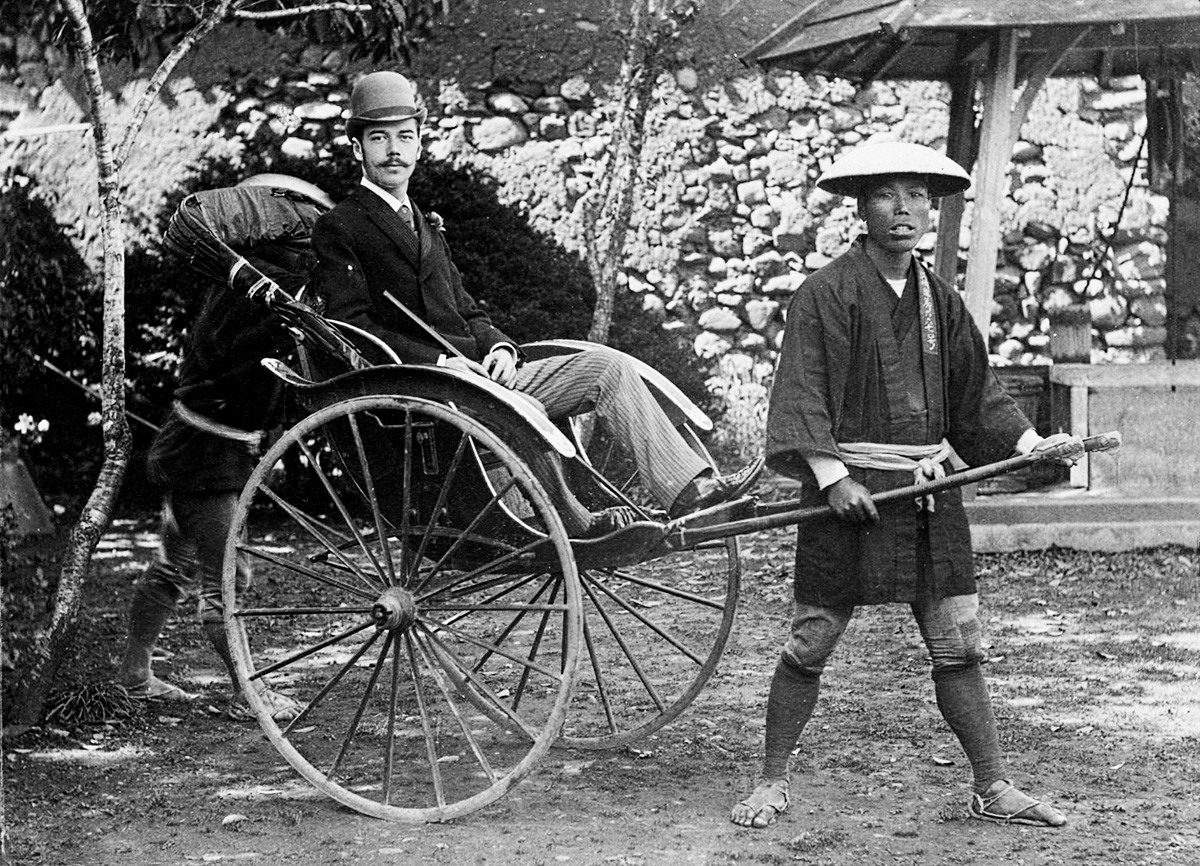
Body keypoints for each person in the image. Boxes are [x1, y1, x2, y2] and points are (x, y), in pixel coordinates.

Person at [730, 141, 1081, 830]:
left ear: (932, 207)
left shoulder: (938, 300)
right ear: (860, 208)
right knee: (812, 638)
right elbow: (801, 392)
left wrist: (1033, 443)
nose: (904, 209)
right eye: (888, 195)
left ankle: (992, 786)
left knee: (958, 642)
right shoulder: (825, 294)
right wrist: (830, 477)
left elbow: (977, 395)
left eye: (917, 196)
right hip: (851, 495)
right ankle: (771, 780)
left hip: (925, 493)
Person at [309, 71, 762, 537]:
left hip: (482, 378)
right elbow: (351, 326)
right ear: (357, 148)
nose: (393, 150)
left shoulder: (424, 223)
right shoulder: (342, 226)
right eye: (378, 138)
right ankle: (575, 521)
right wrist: (440, 362)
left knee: (607, 367)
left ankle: (691, 490)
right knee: (520, 408)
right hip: (425, 388)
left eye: (405, 136)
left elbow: (467, 309)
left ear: (421, 144)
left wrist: (500, 348)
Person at [115, 177, 330, 720]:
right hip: (205, 456)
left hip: (205, 449)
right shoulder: (256, 298)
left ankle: (134, 676)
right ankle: (247, 693)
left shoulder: (249, 292)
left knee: (174, 565)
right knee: (227, 579)